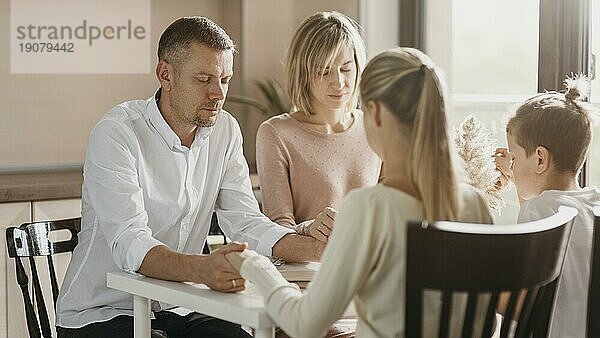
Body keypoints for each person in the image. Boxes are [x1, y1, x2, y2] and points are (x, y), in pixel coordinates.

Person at [55, 16, 325, 338]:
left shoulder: (225, 130)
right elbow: (131, 242)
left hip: (180, 305)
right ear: (165, 74)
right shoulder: (116, 133)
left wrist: (321, 250)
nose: (218, 93)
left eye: (225, 79)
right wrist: (202, 269)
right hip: (101, 312)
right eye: (203, 79)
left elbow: (245, 221)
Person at [225, 48, 493, 338]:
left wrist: (255, 265)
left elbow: (304, 324)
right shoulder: (474, 204)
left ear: (375, 112)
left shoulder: (369, 208)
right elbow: (486, 322)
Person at [256, 11, 381, 242]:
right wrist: (309, 228)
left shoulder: (375, 125)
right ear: (303, 73)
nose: (339, 82)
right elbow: (277, 228)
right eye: (324, 71)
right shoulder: (276, 133)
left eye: (346, 68)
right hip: (309, 268)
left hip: (370, 263)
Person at [495, 75, 599, 338]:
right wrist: (518, 177)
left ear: (540, 158)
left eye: (515, 157)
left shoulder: (540, 212)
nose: (512, 165)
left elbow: (518, 307)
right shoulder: (592, 204)